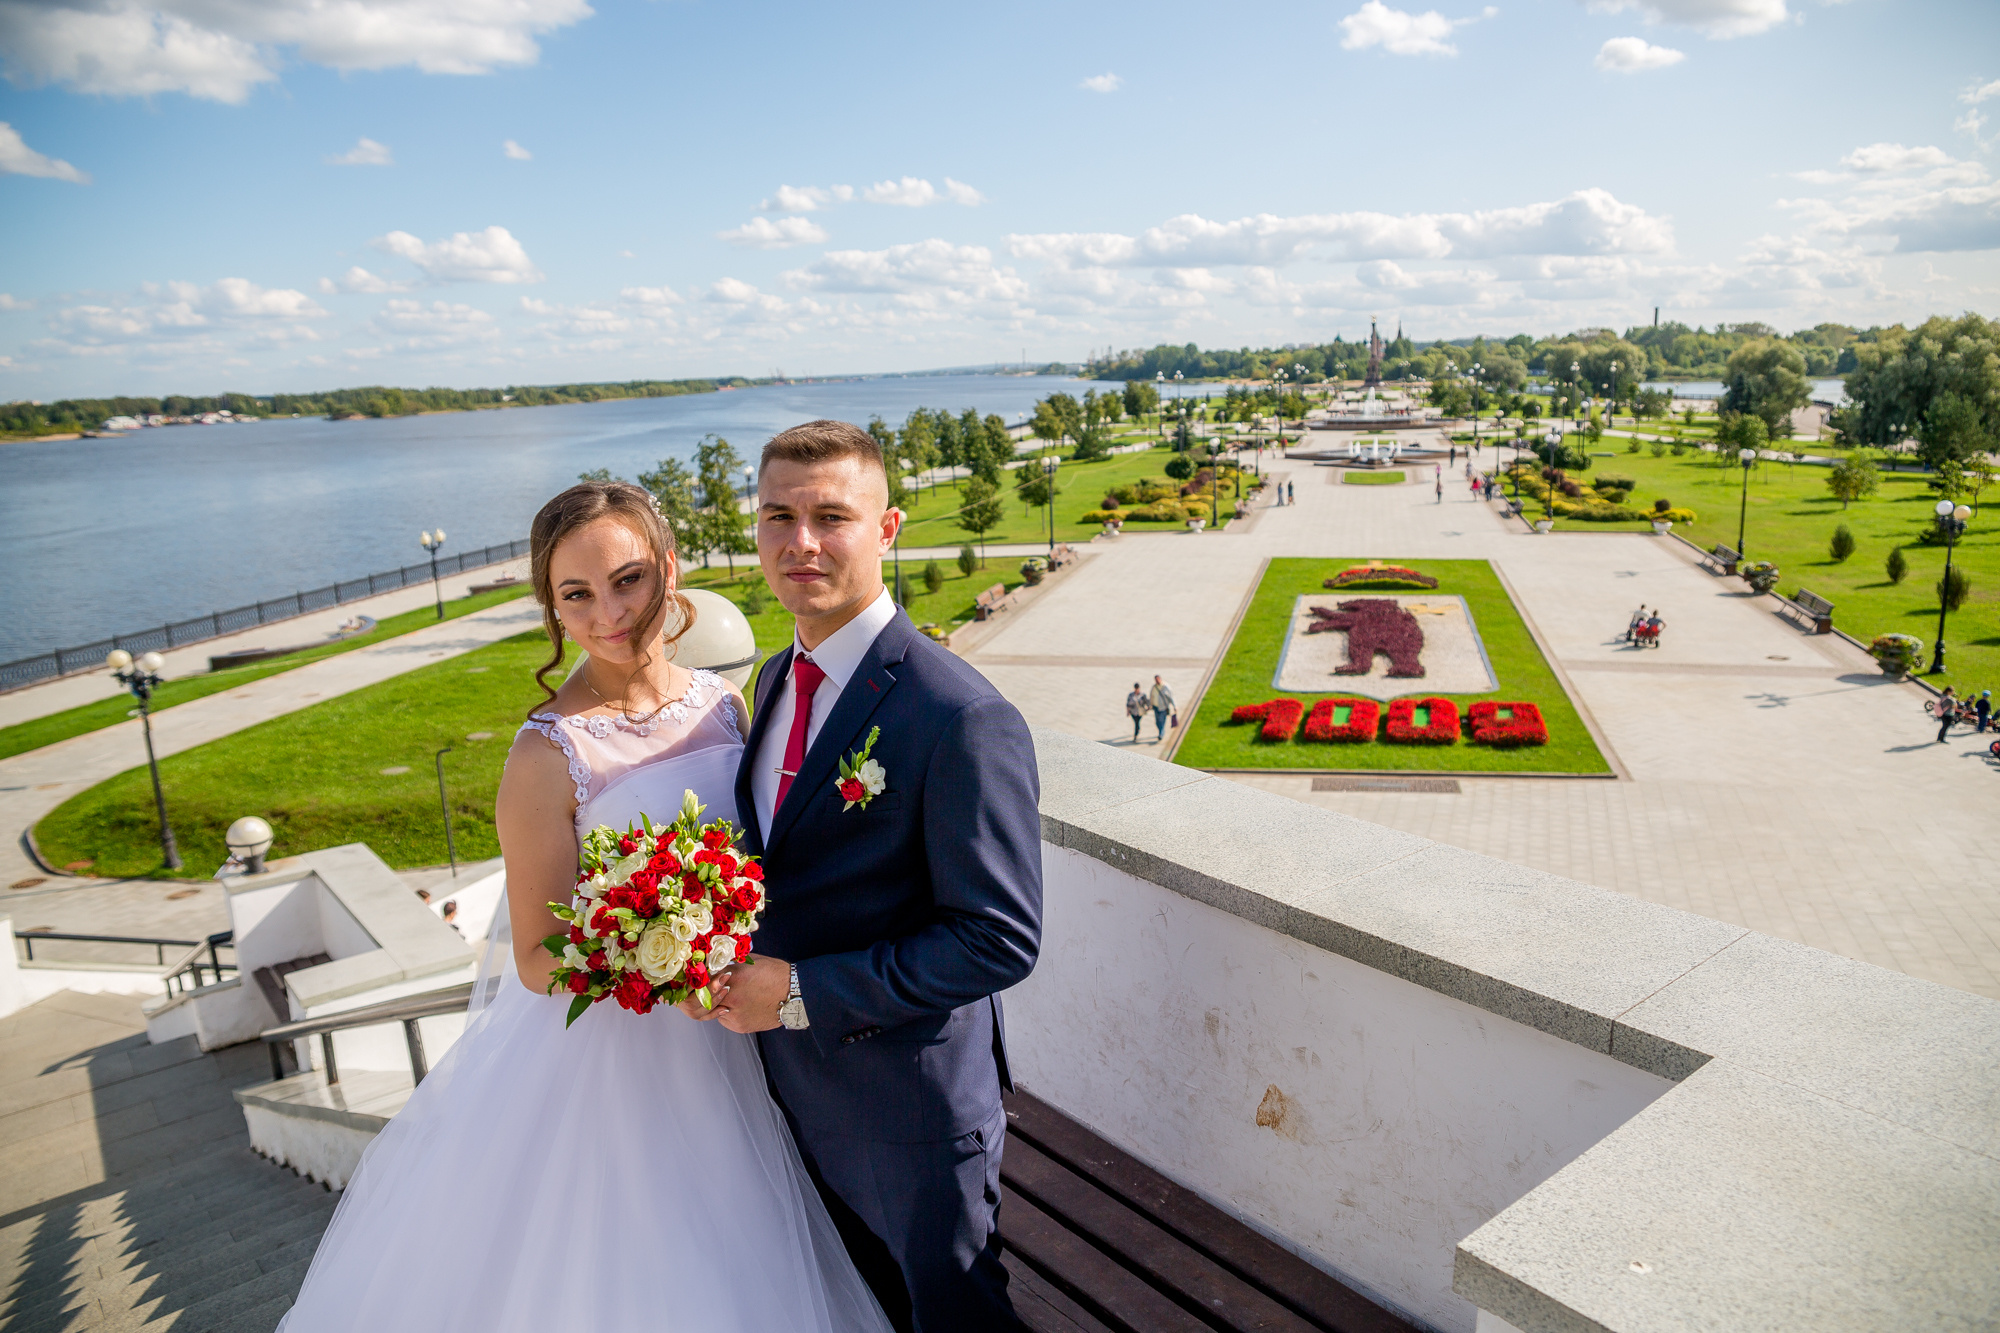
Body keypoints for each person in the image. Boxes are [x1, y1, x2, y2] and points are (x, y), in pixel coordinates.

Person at [279, 480, 894, 1333]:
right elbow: (535, 957)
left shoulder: (725, 704)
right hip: (625, 1062)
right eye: (577, 593)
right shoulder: (545, 754)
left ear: (671, 571)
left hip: (747, 1027)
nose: (609, 612)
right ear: (552, 606)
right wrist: (652, 954)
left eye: (629, 579)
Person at [697, 420, 1043, 1332]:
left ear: (886, 529)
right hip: (793, 1087)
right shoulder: (776, 678)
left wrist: (801, 993)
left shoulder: (959, 714)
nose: (799, 542)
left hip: (909, 1108)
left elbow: (998, 938)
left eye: (830, 516)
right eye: (778, 515)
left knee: (954, 1317)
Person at [1148, 675, 1176, 743]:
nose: (1157, 681)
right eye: (1156, 680)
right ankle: (1161, 730)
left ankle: (1161, 733)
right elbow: (1151, 696)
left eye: (1158, 679)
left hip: (1163, 707)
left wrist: (1174, 706)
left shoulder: (1165, 687)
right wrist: (1150, 705)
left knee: (1161, 720)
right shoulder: (1154, 687)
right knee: (1157, 722)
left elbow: (1171, 697)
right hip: (1155, 707)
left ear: (1160, 679)